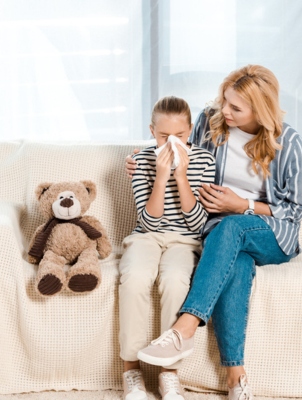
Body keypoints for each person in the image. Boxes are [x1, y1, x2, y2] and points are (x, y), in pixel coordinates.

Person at [125, 65, 302, 400]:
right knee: (235, 263)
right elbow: (178, 149)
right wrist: (143, 161)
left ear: (260, 110)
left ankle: (185, 328)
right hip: (222, 232)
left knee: (232, 224)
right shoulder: (210, 123)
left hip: (269, 231)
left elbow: (295, 210)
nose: (224, 111)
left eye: (235, 108)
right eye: (225, 101)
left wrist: (243, 204)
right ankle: (235, 377)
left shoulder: (288, 141)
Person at [119, 96, 216, 400]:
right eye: (164, 137)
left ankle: (169, 373)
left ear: (190, 132)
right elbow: (148, 223)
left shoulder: (205, 161)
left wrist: (181, 175)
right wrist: (161, 177)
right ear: (152, 131)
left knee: (176, 281)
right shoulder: (142, 161)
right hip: (147, 237)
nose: (172, 144)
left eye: (180, 136)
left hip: (185, 239)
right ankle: (130, 370)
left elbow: (198, 222)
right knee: (134, 277)